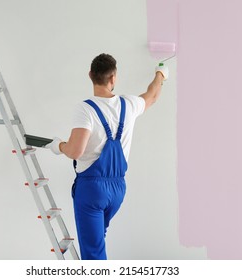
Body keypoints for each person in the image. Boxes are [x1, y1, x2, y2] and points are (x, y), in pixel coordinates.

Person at [46, 54, 168, 260]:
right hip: (118, 190)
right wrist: (160, 74)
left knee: (93, 254)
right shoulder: (129, 104)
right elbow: (152, 95)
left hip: (92, 190)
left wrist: (58, 146)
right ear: (113, 78)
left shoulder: (85, 109)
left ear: (90, 75)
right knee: (97, 241)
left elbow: (75, 151)